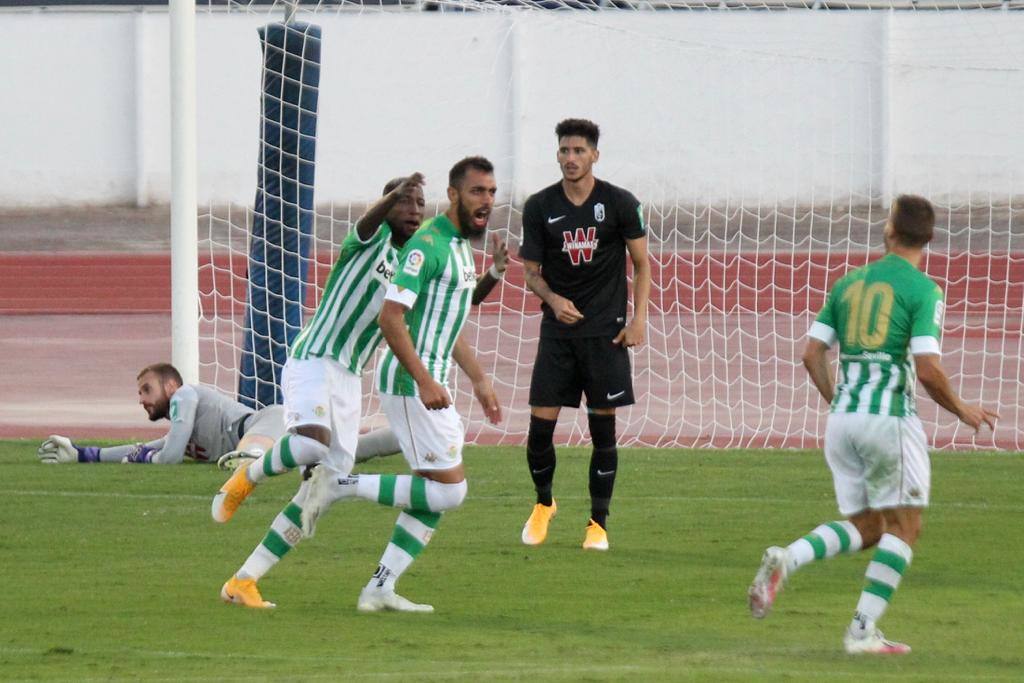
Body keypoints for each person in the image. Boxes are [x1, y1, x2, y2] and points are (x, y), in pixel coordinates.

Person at [217, 170, 507, 609]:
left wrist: (493, 275)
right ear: (386, 205)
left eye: (418, 202)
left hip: (350, 377)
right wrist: (389, 197)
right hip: (316, 357)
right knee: (313, 445)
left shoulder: (414, 257)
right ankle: (248, 476)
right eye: (403, 201)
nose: (413, 210)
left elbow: (448, 306)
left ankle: (245, 580)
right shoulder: (368, 240)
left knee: (317, 495)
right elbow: (369, 223)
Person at [747, 195, 998, 654]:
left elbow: (811, 354)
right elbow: (928, 368)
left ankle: (789, 557)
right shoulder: (923, 290)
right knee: (906, 528)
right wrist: (962, 408)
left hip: (843, 421)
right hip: (889, 421)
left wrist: (841, 401)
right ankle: (861, 633)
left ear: (890, 231)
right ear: (929, 237)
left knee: (869, 528)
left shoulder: (848, 283)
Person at [301, 156, 503, 613]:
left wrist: (479, 379)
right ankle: (339, 484)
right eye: (477, 191)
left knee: (432, 494)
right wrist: (425, 380)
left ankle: (380, 588)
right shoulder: (425, 247)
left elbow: (448, 323)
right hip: (412, 385)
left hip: (432, 382)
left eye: (491, 192)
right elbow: (391, 318)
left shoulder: (460, 248)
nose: (486, 200)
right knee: (450, 491)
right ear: (453, 194)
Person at [517, 118, 651, 551]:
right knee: (540, 430)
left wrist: (638, 321)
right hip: (557, 335)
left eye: (579, 151)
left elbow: (642, 264)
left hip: (605, 336)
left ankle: (598, 523)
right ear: (557, 154)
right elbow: (531, 273)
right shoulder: (539, 206)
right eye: (564, 150)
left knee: (603, 433)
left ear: (595, 154)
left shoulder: (620, 203)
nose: (570, 158)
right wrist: (553, 300)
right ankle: (544, 503)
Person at [35, 362, 399, 467]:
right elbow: (146, 449)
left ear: (171, 386)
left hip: (266, 423)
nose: (141, 399)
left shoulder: (185, 396)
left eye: (146, 389)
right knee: (351, 452)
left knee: (247, 462)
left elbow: (167, 458)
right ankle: (411, 437)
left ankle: (250, 458)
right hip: (280, 436)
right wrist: (83, 454)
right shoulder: (182, 430)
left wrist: (152, 458)